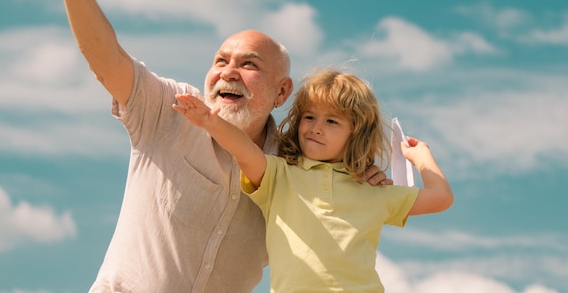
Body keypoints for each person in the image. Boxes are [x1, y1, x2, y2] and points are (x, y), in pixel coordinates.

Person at [25, 0, 392, 293]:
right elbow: (107, 59)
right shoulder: (171, 109)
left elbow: (338, 193)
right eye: (221, 61)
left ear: (282, 93)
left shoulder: (293, 167)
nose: (229, 72)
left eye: (249, 65)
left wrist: (360, 176)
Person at [174, 68, 454, 293]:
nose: (316, 128)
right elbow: (244, 150)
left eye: (332, 121)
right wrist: (211, 122)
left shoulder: (373, 191)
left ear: (355, 134)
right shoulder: (280, 176)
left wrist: (422, 156)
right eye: (309, 117)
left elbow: (440, 198)